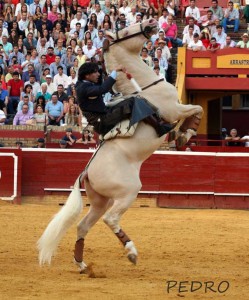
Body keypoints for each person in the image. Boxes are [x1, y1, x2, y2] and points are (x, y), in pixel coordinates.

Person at [75, 62, 174, 137]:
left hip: (103, 115)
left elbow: (101, 80)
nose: (98, 74)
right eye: (95, 72)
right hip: (102, 122)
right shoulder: (83, 88)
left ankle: (159, 120)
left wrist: (115, 69)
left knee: (134, 99)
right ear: (87, 75)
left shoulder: (84, 84)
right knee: (132, 102)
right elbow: (102, 89)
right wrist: (114, 73)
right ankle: (159, 128)